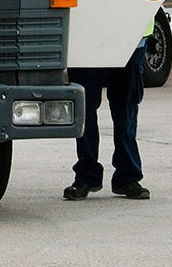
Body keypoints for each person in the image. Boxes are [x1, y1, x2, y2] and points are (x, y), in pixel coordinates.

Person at [64, 20, 150, 201]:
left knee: (125, 108)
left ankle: (127, 176)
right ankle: (88, 175)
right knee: (85, 108)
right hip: (87, 36)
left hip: (132, 34)